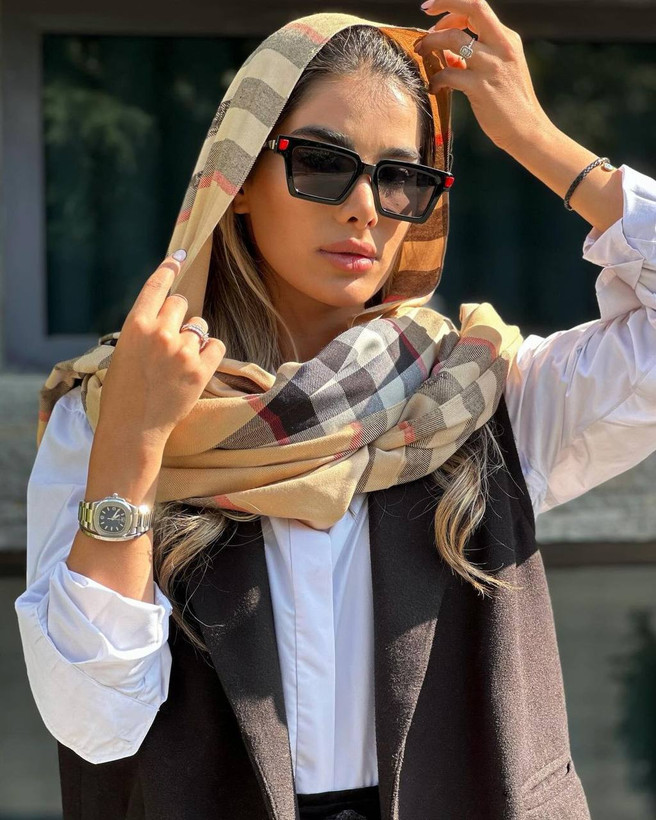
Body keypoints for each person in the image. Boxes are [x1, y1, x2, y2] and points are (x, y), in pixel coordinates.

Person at [14, 4, 656, 819]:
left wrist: (539, 141)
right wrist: (135, 445)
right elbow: (92, 722)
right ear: (237, 184)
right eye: (322, 163)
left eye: (402, 178)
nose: (365, 208)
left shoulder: (475, 394)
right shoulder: (119, 408)